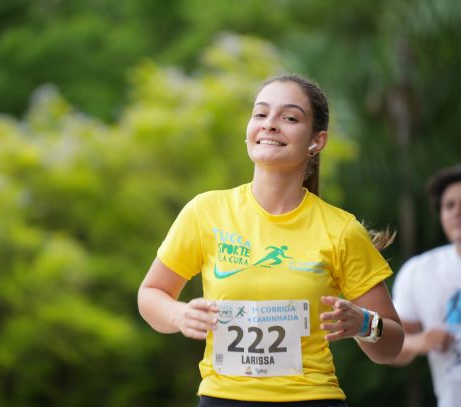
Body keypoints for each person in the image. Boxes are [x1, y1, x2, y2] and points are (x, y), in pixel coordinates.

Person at [137, 73, 404, 406]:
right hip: (222, 399)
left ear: (317, 141)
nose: (270, 124)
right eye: (261, 113)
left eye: (289, 118)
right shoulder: (205, 211)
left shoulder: (342, 230)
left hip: (312, 400)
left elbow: (392, 347)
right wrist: (179, 315)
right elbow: (151, 294)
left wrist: (364, 324)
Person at [392, 164, 461, 407]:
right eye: (449, 205)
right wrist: (419, 341)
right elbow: (391, 346)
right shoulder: (420, 272)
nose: (457, 212)